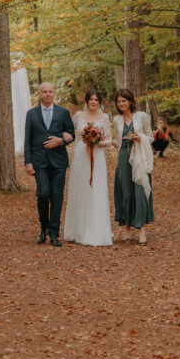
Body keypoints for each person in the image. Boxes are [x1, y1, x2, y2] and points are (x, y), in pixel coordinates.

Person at [23, 83, 75, 247]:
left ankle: (54, 233)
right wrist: (28, 162)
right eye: (44, 92)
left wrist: (60, 140)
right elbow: (27, 140)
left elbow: (71, 135)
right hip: (39, 163)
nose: (47, 94)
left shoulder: (63, 112)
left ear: (54, 93)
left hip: (58, 162)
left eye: (50, 91)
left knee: (57, 198)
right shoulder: (31, 114)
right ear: (39, 94)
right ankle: (43, 228)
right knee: (43, 194)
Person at [62, 89, 113, 247]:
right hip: (80, 156)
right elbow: (68, 130)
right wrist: (64, 135)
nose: (93, 102)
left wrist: (98, 142)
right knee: (80, 189)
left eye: (96, 99)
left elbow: (109, 139)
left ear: (99, 102)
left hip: (96, 157)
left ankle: (95, 231)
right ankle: (77, 230)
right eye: (90, 99)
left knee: (95, 190)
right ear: (86, 101)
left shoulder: (104, 117)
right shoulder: (78, 116)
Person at [112, 89, 154, 246]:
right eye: (119, 101)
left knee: (140, 191)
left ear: (130, 101)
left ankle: (142, 229)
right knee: (126, 193)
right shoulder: (116, 120)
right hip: (123, 156)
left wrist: (140, 137)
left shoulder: (142, 116)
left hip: (139, 156)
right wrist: (107, 142)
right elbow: (117, 141)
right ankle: (127, 227)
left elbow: (151, 136)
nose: (121, 104)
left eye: (124, 101)